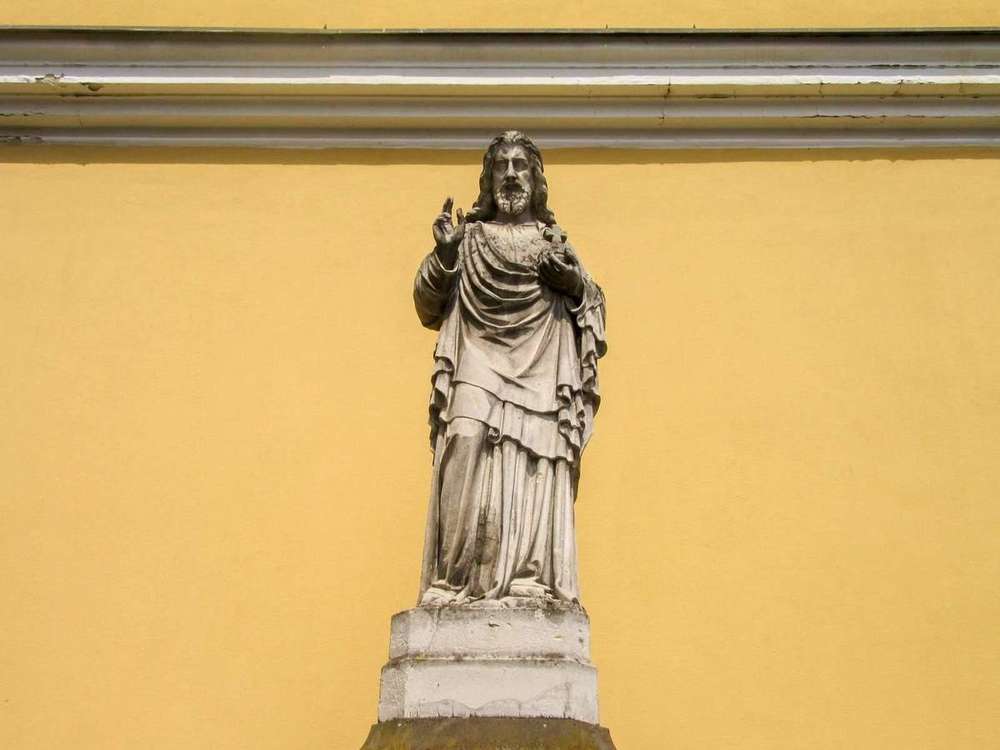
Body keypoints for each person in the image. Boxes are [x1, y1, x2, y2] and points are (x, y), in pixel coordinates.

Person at [413, 131, 607, 606]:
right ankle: (451, 579)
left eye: (521, 166)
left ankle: (530, 575)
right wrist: (444, 255)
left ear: (537, 180)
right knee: (463, 439)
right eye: (502, 166)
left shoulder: (554, 244)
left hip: (541, 364)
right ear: (489, 178)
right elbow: (427, 305)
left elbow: (594, 305)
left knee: (537, 458)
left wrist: (573, 284)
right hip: (476, 357)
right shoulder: (468, 240)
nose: (512, 175)